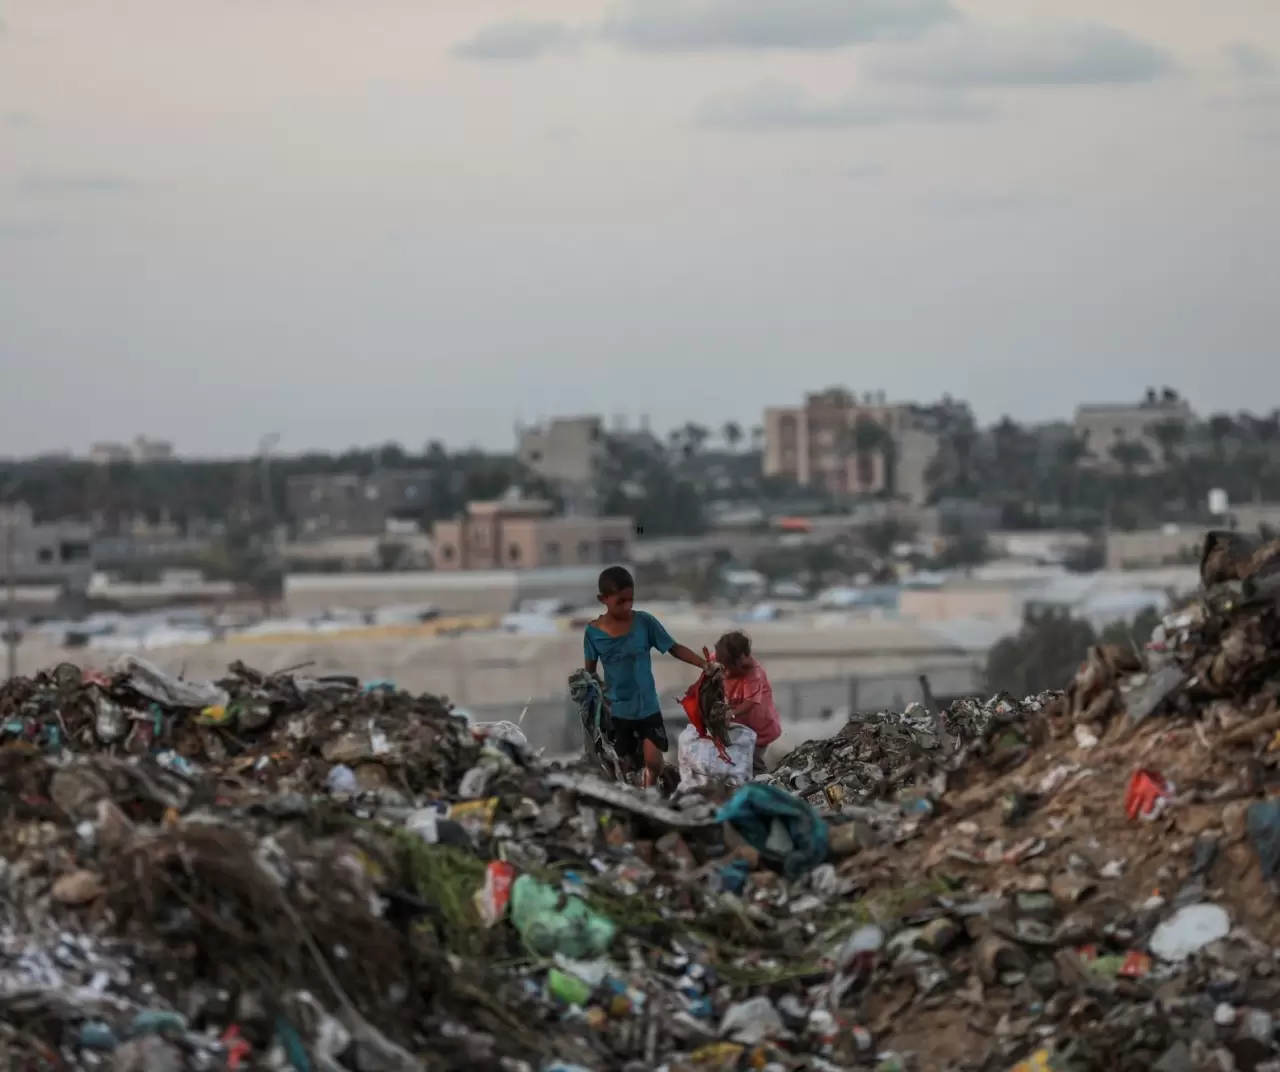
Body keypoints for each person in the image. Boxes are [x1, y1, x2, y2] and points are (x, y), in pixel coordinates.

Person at [583, 566, 706, 788]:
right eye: (620, 601)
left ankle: (650, 794)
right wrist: (594, 699)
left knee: (653, 761)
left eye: (631, 600)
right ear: (603, 599)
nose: (627, 606)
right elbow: (590, 674)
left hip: (647, 706)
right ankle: (635, 797)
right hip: (618, 711)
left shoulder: (644, 623)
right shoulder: (593, 633)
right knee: (623, 765)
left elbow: (673, 647)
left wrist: (703, 664)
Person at [714, 630, 781, 774]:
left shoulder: (753, 674)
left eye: (728, 668)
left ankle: (764, 788)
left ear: (741, 661)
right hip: (738, 727)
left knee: (753, 762)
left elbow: (749, 703)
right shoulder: (719, 662)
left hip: (758, 728)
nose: (725, 672)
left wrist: (731, 713)